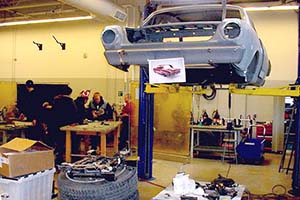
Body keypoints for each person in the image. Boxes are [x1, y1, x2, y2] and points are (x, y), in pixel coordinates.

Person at [44, 85, 78, 164]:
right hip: (67, 126)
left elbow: (52, 112)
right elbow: (75, 114)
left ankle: (58, 159)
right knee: (67, 144)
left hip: (56, 126)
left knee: (59, 144)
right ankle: (67, 159)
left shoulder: (57, 101)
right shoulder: (70, 102)